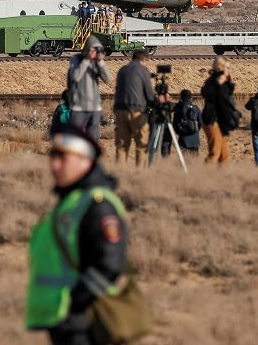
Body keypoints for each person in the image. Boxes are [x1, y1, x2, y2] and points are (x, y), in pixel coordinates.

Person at [25, 125, 131, 345]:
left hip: (85, 323)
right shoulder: (72, 201)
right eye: (53, 156)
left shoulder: (97, 204)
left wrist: (75, 303)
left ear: (86, 161)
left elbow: (110, 264)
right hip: (64, 321)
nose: (54, 165)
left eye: (63, 158)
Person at [112, 50, 156, 166]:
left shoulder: (122, 70)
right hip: (137, 111)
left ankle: (120, 174)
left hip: (120, 110)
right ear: (144, 60)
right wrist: (157, 102)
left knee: (121, 146)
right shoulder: (143, 70)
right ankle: (139, 175)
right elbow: (149, 94)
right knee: (141, 145)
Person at [67, 36, 110, 142]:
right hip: (79, 107)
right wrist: (86, 60)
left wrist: (100, 62)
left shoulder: (97, 62)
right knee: (75, 137)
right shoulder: (77, 59)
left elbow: (108, 79)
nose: (95, 53)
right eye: (93, 50)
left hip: (94, 107)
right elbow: (75, 77)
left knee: (93, 138)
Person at [200, 56, 238, 166]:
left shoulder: (226, 83)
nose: (229, 70)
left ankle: (221, 179)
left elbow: (228, 98)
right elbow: (206, 93)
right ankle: (206, 178)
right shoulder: (212, 81)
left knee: (224, 155)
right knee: (215, 152)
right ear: (220, 67)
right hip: (213, 119)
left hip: (223, 121)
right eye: (227, 67)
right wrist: (218, 83)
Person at [172, 90, 201, 155]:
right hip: (194, 139)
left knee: (184, 159)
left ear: (181, 98)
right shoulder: (195, 108)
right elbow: (200, 122)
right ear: (191, 97)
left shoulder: (178, 108)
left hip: (183, 138)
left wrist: (179, 132)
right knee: (195, 159)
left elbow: (175, 123)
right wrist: (195, 130)